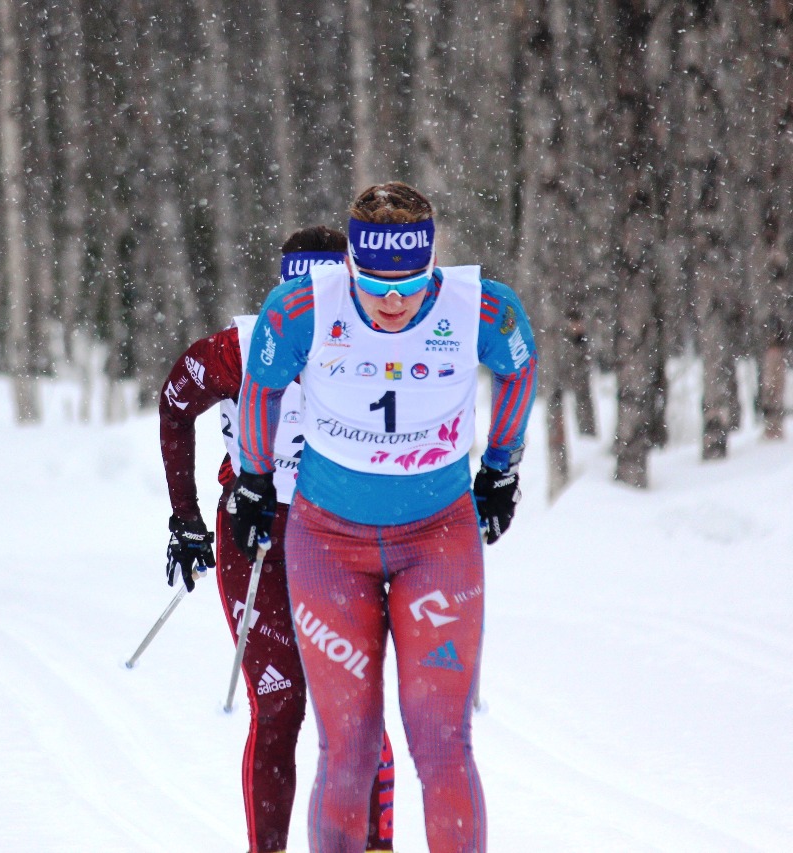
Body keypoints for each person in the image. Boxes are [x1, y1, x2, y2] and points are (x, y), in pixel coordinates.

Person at [229, 182, 537, 852]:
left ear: (431, 267)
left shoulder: (481, 307)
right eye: (374, 283)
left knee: (442, 743)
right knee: (349, 749)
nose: (393, 300)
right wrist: (253, 479)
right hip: (329, 546)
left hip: (437, 540)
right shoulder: (301, 308)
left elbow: (519, 363)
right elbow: (262, 385)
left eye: (410, 283)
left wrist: (501, 466)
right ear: (349, 267)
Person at [159, 226, 397, 853]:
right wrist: (184, 518)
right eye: (300, 297)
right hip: (256, 542)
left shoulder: (379, 338)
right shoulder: (238, 347)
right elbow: (175, 401)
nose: (310, 316)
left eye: (326, 297)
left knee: (355, 712)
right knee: (281, 709)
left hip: (344, 542)